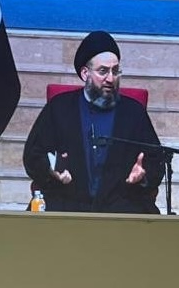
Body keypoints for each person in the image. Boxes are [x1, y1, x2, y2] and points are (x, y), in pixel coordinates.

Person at [23, 30, 164, 213]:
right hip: (68, 201)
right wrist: (51, 170)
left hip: (121, 204)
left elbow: (156, 160)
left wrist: (142, 176)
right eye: (103, 71)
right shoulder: (59, 107)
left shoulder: (133, 112)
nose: (111, 79)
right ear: (85, 73)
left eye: (115, 71)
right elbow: (34, 155)